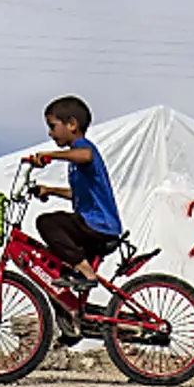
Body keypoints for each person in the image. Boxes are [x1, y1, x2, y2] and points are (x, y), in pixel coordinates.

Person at [23, 95, 125, 281]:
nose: (50, 133)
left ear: (72, 124)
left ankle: (86, 272)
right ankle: (70, 310)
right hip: (93, 226)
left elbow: (85, 155)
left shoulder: (83, 147)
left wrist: (50, 155)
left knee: (47, 223)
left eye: (53, 126)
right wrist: (50, 190)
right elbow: (77, 194)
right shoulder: (75, 161)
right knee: (58, 268)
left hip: (99, 226)